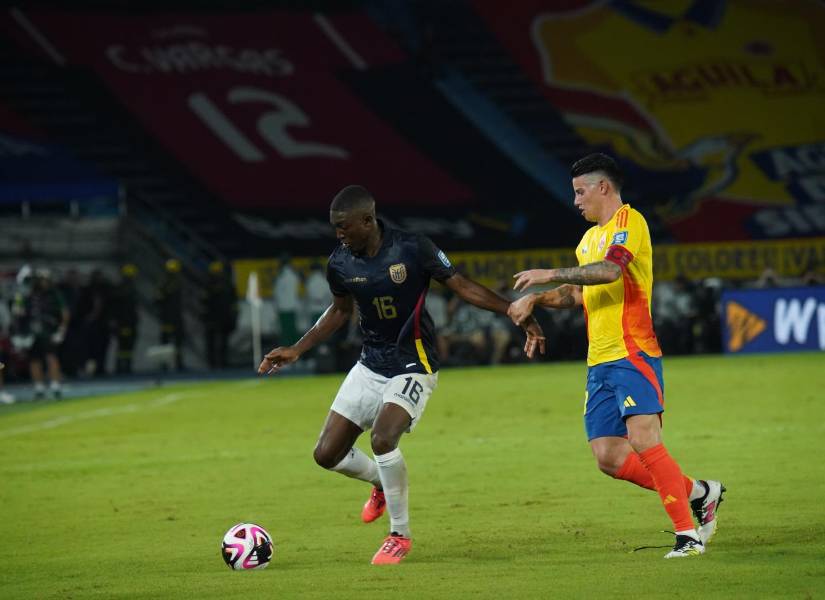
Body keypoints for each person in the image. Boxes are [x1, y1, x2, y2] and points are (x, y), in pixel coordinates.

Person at [258, 185, 545, 565]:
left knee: (382, 438)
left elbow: (460, 285)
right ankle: (380, 482)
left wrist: (511, 311)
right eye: (335, 227)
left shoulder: (412, 247)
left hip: (415, 363)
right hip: (370, 364)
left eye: (343, 226)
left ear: (367, 220)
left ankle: (399, 535)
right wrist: (298, 347)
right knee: (326, 455)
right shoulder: (340, 262)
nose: (338, 234)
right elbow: (340, 311)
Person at [507, 154, 724, 559]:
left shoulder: (630, 222)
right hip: (599, 361)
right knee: (608, 456)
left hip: (633, 352)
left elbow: (609, 272)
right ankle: (699, 491)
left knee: (644, 440)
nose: (575, 201)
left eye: (579, 191)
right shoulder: (587, 240)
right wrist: (537, 298)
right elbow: (579, 292)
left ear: (603, 187)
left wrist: (548, 273)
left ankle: (687, 537)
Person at [202, 261, 237, 369]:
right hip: (220, 318)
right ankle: (219, 363)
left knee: (217, 342)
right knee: (219, 342)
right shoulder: (225, 284)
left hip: (216, 318)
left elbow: (204, 302)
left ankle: (216, 363)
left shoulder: (209, 285)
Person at [111, 264, 140, 374]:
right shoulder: (122, 290)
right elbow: (116, 307)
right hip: (124, 322)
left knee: (128, 344)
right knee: (124, 344)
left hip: (130, 321)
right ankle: (122, 366)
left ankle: (126, 365)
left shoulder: (129, 288)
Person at [272, 255, 300, 347]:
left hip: (284, 307)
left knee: (285, 332)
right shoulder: (293, 274)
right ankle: (297, 353)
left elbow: (277, 293)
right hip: (292, 306)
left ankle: (286, 354)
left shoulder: (282, 275)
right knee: (292, 331)